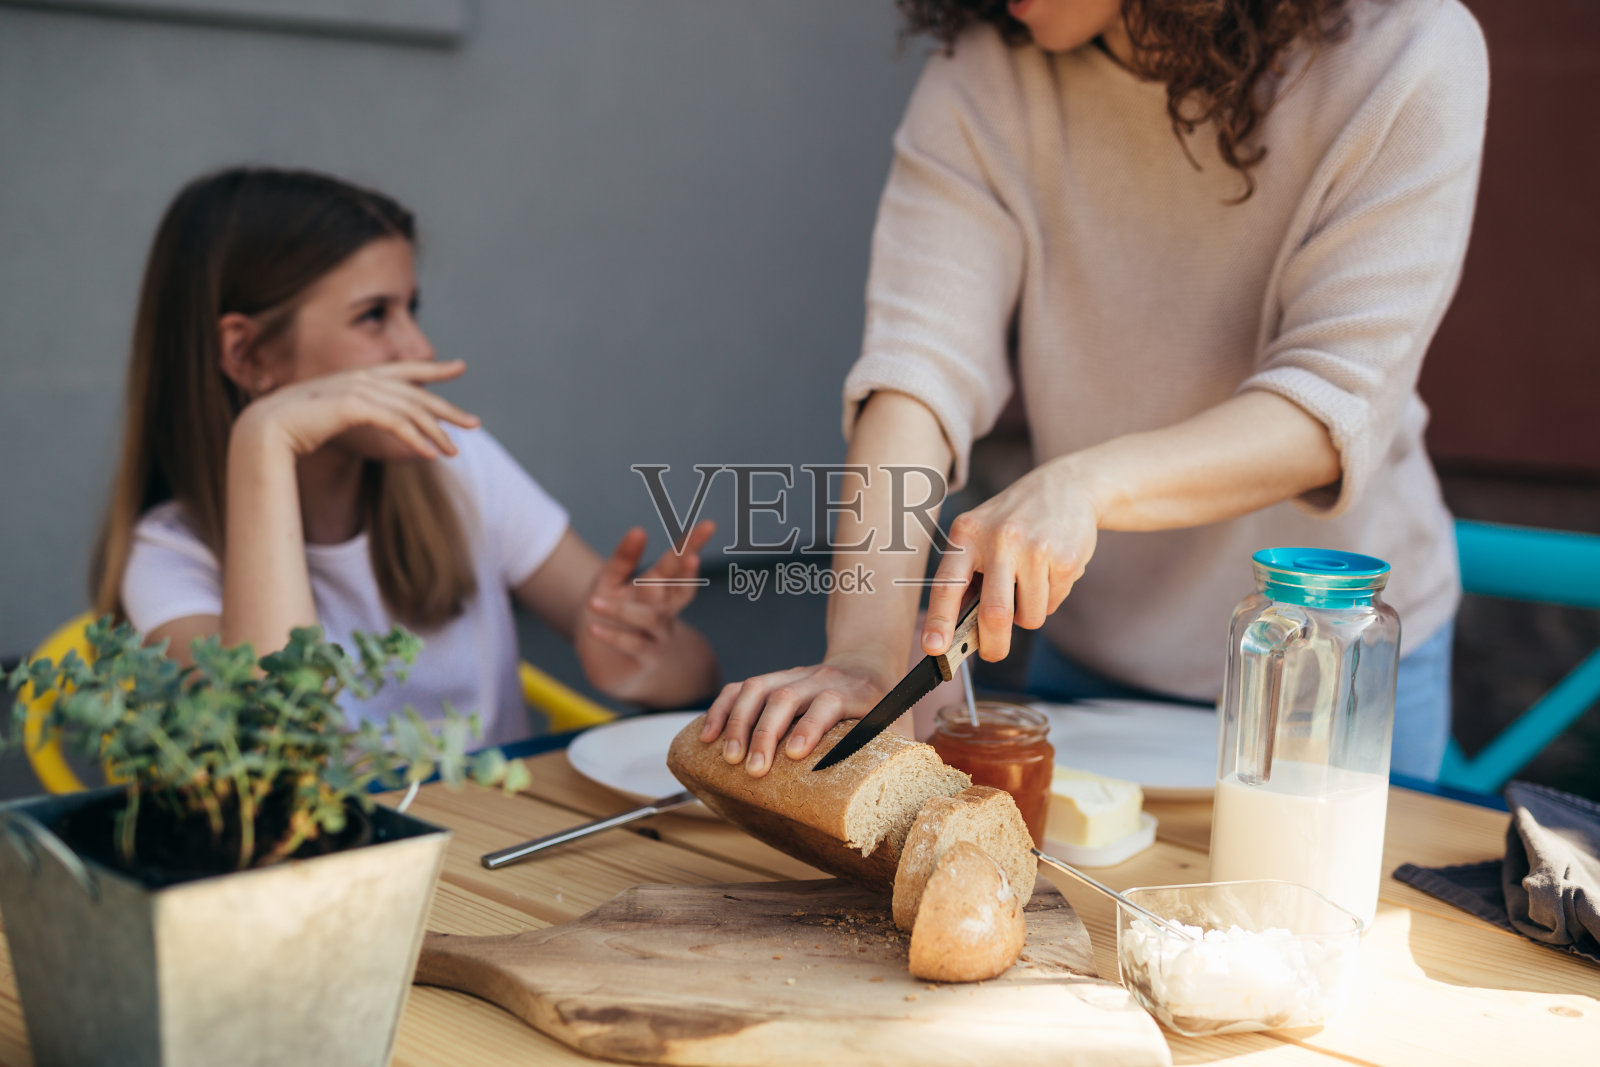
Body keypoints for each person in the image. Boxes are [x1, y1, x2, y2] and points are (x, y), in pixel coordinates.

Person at [702, 0, 1485, 780]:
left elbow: (1328, 408)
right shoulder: (987, 70)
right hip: (1094, 666)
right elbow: (916, 370)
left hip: (1331, 665)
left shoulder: (1408, 52)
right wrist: (866, 657)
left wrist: (1084, 484)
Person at [91, 167, 718, 745]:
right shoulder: (171, 555)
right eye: (373, 316)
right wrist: (264, 440)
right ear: (247, 355)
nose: (416, 347)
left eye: (410, 309)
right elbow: (276, 754)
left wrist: (641, 661)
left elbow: (697, 673)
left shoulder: (460, 466)